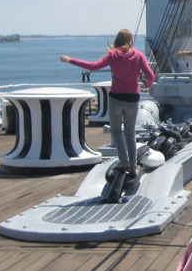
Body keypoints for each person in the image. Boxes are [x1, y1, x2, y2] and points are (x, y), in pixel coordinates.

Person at [61, 29, 155, 177]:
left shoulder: (113, 55)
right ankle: (133, 166)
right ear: (131, 40)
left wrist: (70, 59)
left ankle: (123, 162)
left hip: (116, 97)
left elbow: (92, 66)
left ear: (117, 40)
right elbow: (151, 76)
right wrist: (147, 84)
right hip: (132, 98)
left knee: (116, 131)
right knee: (130, 133)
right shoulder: (138, 55)